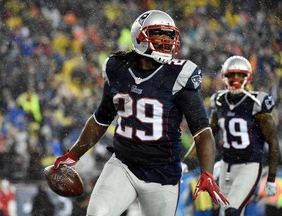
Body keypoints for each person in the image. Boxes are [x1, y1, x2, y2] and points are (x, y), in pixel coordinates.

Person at [53, 10, 229, 216]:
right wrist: (73, 155)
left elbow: (202, 131)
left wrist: (206, 172)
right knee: (96, 213)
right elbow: (101, 119)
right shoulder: (117, 68)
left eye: (169, 36)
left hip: (162, 175)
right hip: (123, 165)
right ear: (140, 36)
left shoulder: (178, 75)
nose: (166, 41)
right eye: (159, 34)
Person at [209, 55, 280, 216]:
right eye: (231, 74)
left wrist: (271, 178)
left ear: (248, 77)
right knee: (220, 212)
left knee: (231, 211)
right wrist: (186, 161)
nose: (235, 79)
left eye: (240, 74)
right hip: (226, 165)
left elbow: (273, 141)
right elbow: (207, 136)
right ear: (224, 76)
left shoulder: (256, 102)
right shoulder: (219, 101)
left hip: (249, 165)